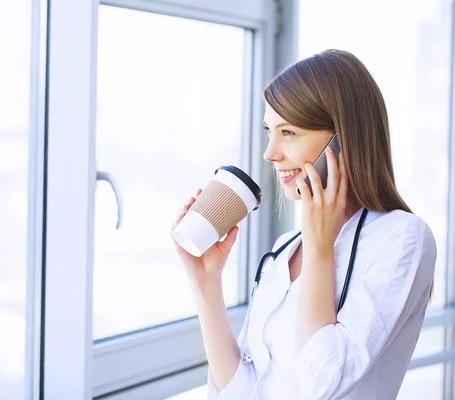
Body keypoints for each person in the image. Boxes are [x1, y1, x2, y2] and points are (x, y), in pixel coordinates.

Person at [171, 49, 437, 399]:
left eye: (289, 132)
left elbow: (323, 385)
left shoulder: (402, 238)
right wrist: (205, 284)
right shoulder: (286, 248)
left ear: (342, 140)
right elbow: (244, 391)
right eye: (270, 131)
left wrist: (320, 250)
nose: (271, 152)